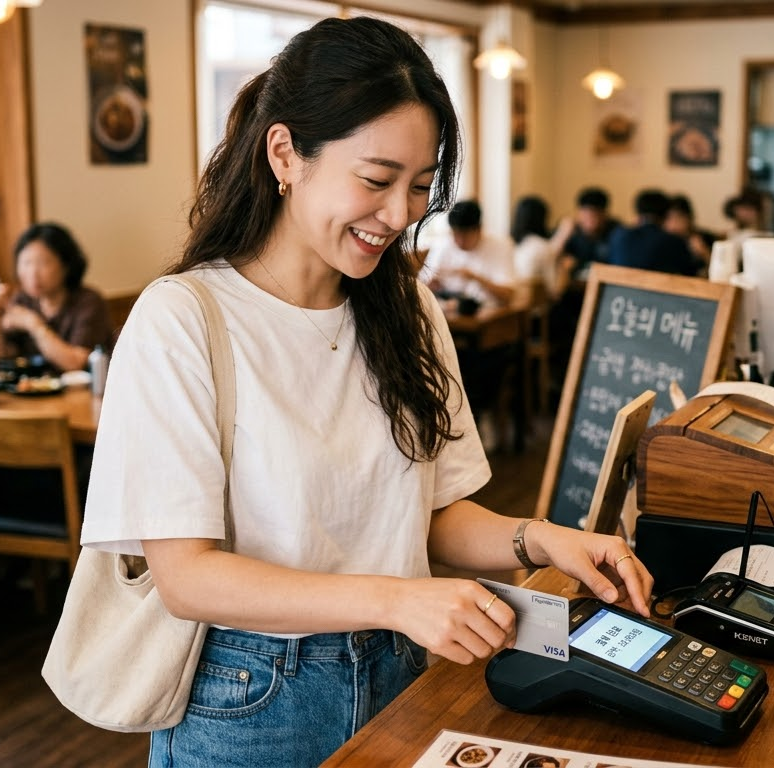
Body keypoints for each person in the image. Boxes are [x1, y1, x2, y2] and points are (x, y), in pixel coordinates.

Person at [77, 17, 654, 768]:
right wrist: (396, 599)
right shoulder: (185, 318)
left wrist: (541, 539)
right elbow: (187, 576)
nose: (401, 214)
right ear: (285, 153)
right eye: (377, 180)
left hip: (400, 670)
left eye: (419, 187)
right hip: (250, 698)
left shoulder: (406, 309)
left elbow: (432, 514)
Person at [0, 222, 112, 373]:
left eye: (43, 263)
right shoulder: (22, 300)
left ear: (66, 265)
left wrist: (34, 325)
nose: (33, 273)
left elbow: (76, 363)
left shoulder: (89, 302)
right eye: (26, 263)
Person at [421, 200, 516, 307]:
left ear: (479, 229)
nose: (460, 241)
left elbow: (508, 295)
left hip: (488, 314)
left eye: (465, 235)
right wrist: (431, 285)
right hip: (449, 311)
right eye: (456, 234)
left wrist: (475, 277)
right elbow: (422, 286)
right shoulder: (442, 245)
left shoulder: (500, 246)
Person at [608, 189, 700, 276]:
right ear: (665, 215)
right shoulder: (672, 241)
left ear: (638, 213)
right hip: (653, 292)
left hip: (618, 291)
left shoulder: (617, 235)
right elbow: (691, 274)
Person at [510, 195, 575, 301]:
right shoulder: (541, 247)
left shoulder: (512, 244)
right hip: (535, 309)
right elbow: (555, 291)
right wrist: (565, 268)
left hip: (516, 304)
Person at [663, 193, 718, 265]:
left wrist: (704, 253)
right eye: (669, 218)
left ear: (689, 217)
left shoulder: (705, 238)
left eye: (678, 217)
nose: (673, 223)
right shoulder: (663, 242)